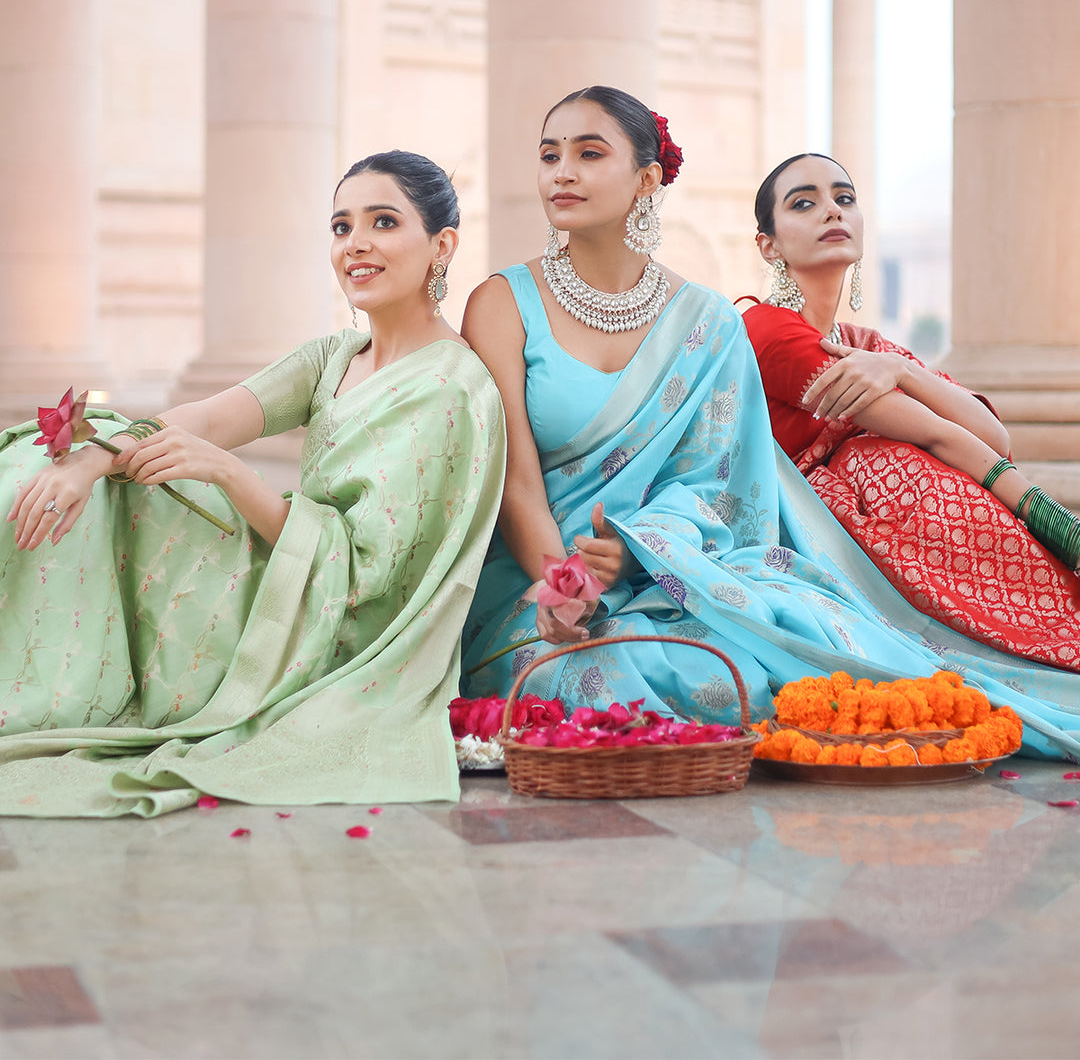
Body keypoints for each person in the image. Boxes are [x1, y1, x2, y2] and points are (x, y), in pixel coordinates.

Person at [459, 89, 1080, 761]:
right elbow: (515, 482)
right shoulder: (502, 303)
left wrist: (640, 548)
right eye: (550, 155)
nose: (562, 172)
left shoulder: (706, 322)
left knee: (757, 666)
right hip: (541, 576)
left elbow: (717, 487)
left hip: (679, 569)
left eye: (588, 152)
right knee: (577, 680)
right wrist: (566, 584)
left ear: (646, 179)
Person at [0, 151, 506, 816]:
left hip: (310, 625)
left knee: (127, 482)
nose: (355, 244)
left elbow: (370, 581)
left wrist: (227, 473)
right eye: (340, 226)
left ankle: (49, 697)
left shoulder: (453, 389)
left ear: (441, 246)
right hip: (279, 563)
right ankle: (41, 691)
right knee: (58, 465)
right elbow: (211, 416)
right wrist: (96, 456)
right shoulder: (333, 357)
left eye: (383, 222)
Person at [742, 151, 1080, 670]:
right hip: (794, 533)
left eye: (844, 198)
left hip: (869, 531)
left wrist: (905, 372)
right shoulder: (770, 329)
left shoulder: (859, 344)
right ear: (769, 245)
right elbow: (947, 438)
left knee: (885, 456)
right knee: (880, 460)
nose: (832, 211)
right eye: (804, 203)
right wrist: (1057, 525)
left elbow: (994, 438)